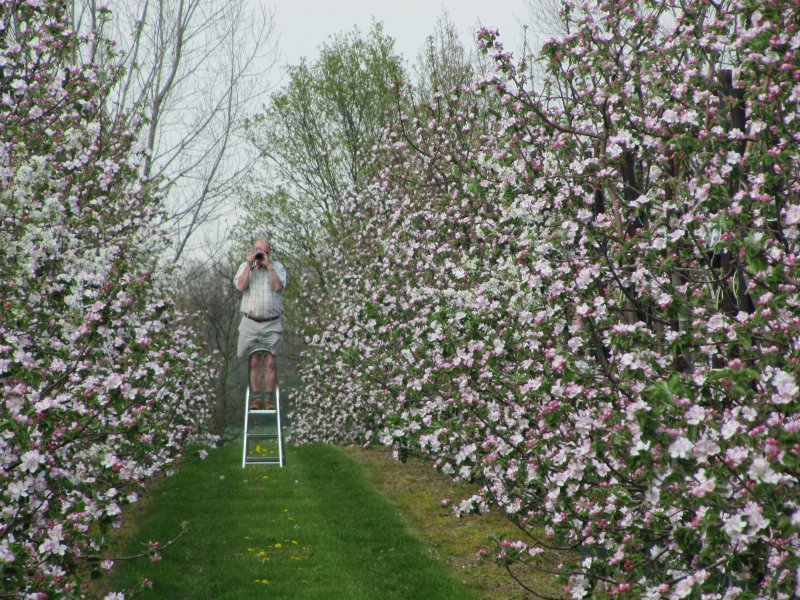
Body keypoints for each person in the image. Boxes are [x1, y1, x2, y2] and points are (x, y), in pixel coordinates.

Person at [233, 238, 287, 410]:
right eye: (258, 250)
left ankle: (269, 398)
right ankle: (256, 398)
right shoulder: (245, 267)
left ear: (270, 252)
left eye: (264, 251)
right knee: (254, 361)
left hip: (272, 323)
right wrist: (250, 265)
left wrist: (268, 265)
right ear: (252, 251)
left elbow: (278, 287)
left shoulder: (277, 267)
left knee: (270, 362)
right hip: (251, 322)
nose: (260, 254)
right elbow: (240, 287)